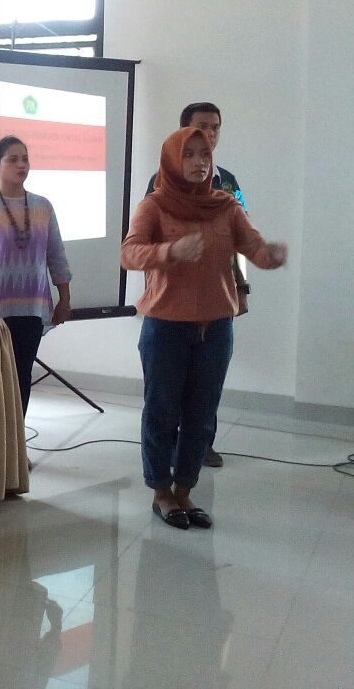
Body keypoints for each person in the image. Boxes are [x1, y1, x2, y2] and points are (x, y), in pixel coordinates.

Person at [122, 127, 286, 530]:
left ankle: (185, 491)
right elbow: (129, 253)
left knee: (202, 414)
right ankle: (161, 492)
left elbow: (253, 247)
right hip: (166, 326)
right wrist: (169, 251)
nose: (200, 162)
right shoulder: (155, 204)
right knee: (162, 411)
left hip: (215, 327)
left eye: (205, 154)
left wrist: (269, 256)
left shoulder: (225, 205)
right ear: (172, 160)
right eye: (190, 154)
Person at [146, 102, 247, 468]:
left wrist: (243, 290)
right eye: (203, 126)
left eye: (216, 127)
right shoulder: (160, 181)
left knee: (208, 380)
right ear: (184, 132)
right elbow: (147, 243)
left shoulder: (229, 182)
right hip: (173, 299)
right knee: (169, 385)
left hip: (216, 297)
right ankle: (167, 453)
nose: (211, 134)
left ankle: (202, 445)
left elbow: (242, 240)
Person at [0, 136, 72, 415]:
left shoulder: (43, 206)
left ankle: (16, 440)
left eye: (25, 159)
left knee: (21, 378)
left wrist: (64, 299)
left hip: (32, 309)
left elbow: (56, 255)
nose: (22, 165)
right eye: (13, 159)